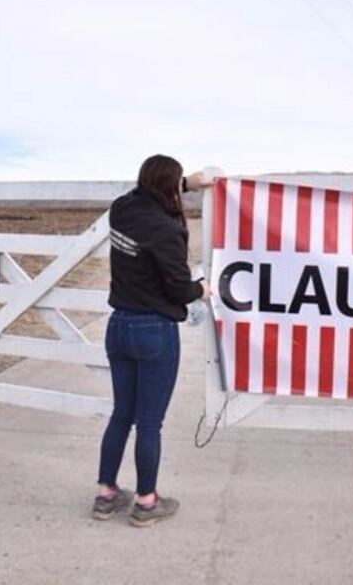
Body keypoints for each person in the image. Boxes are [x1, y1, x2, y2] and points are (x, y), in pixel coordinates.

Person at [91, 154, 216, 527]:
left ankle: (106, 494)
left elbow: (146, 194)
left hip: (119, 327)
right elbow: (179, 288)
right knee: (149, 423)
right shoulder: (167, 230)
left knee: (121, 415)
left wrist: (185, 182)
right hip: (154, 332)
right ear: (169, 188)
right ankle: (147, 501)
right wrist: (202, 289)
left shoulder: (122, 209)